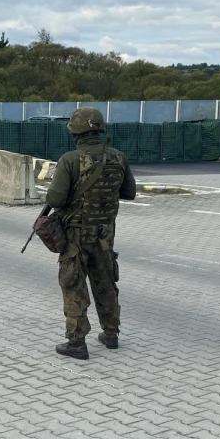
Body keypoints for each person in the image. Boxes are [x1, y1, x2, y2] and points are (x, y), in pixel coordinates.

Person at [44, 107, 137, 359]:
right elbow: (129, 193)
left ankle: (76, 342)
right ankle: (111, 333)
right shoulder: (118, 157)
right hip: (105, 234)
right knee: (105, 282)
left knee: (73, 284)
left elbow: (56, 198)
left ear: (75, 131)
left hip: (75, 235)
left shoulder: (71, 160)